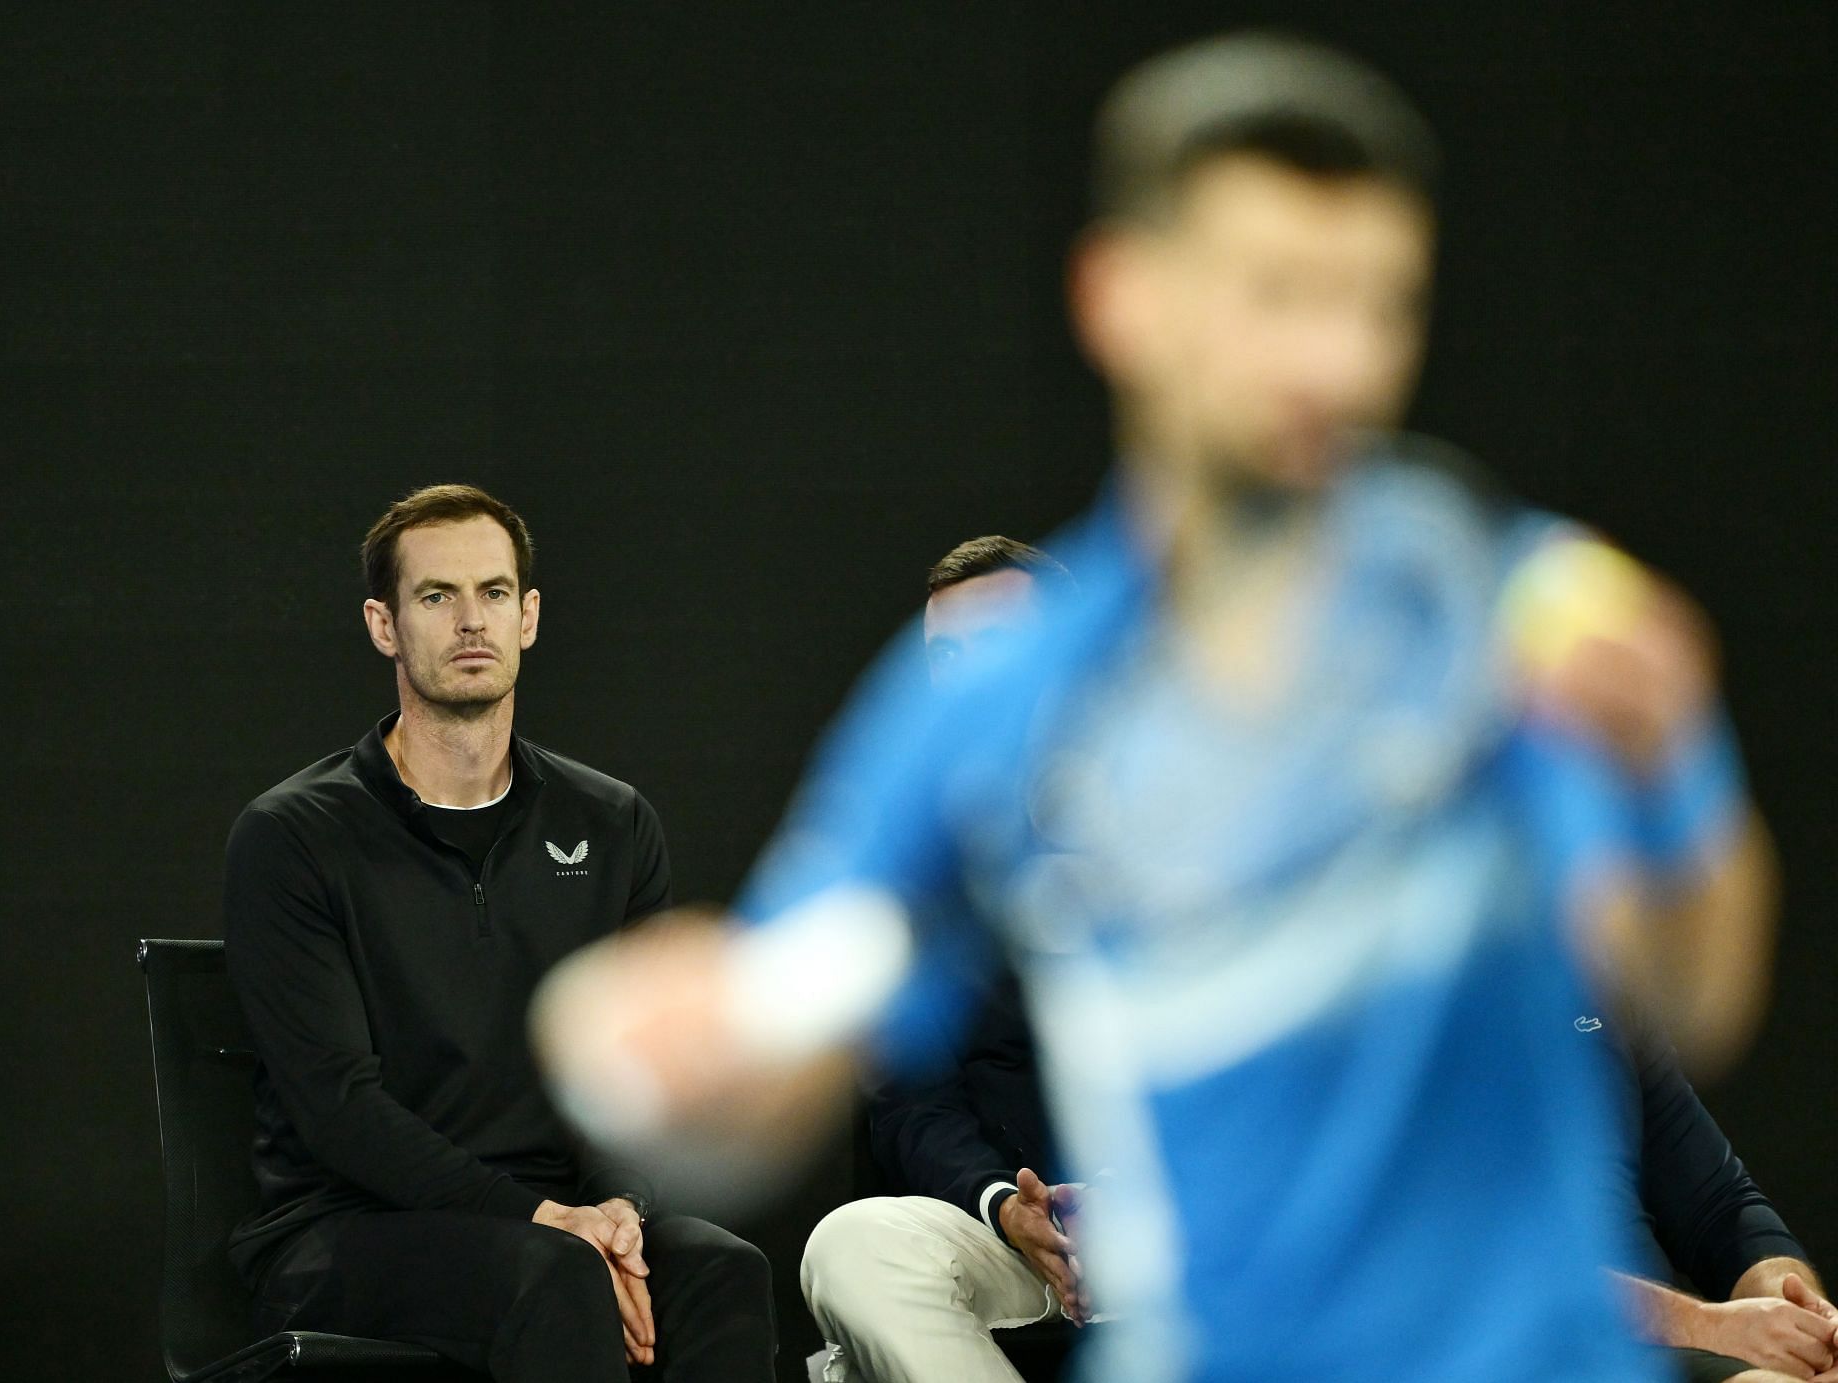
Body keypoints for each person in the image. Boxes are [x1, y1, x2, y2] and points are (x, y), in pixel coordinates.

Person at [531, 33, 1781, 1382]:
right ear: (1120, 295)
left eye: (1380, 303)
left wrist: (1666, 776)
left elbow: (1693, 988)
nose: (1338, 362)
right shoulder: (995, 699)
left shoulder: (1513, 605)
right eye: (1278, 294)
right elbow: (783, 1057)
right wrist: (676, 1054)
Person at [223, 484, 776, 1382]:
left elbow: (642, 1073)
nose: (469, 620)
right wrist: (543, 1220)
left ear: (528, 616)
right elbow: (337, 1109)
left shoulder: (612, 821)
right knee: (552, 1276)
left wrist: (621, 1210)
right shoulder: (294, 834)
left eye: (492, 593)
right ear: (383, 625)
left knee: (721, 1269)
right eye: (436, 596)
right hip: (344, 1228)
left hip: (561, 1220)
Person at [803, 536, 1086, 1382]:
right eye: (944, 657)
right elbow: (910, 1105)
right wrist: (1008, 1207)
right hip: (1013, 1232)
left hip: (1196, 1222)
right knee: (852, 1246)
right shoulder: (917, 871)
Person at [1587, 1001, 1838, 1383]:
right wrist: (1708, 1329)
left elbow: (1718, 1205)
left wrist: (1810, 1331)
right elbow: (1495, 1265)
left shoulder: (1604, 999)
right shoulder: (1471, 998)